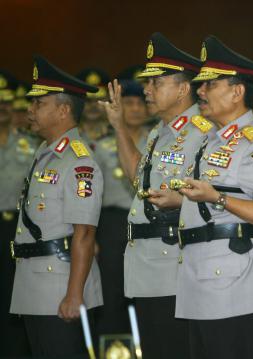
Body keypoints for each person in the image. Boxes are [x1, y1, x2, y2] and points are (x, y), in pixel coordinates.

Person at [173, 35, 253, 359]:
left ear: (237, 91)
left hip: (235, 285)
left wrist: (216, 198)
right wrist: (181, 199)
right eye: (201, 85)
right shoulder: (212, 139)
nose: (200, 91)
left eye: (210, 85)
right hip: (200, 280)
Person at [100, 32, 204, 358]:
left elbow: (217, 194)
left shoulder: (203, 131)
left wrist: (184, 201)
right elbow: (138, 180)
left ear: (183, 89)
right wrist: (118, 127)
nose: (147, 89)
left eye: (156, 82)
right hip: (149, 263)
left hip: (177, 264)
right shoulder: (161, 130)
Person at [10, 55, 103, 358]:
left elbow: (85, 233)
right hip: (34, 284)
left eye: (39, 104)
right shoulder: (45, 152)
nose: (31, 109)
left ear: (63, 110)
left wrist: (74, 295)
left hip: (59, 287)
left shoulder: (78, 161)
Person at [93, 66, 149, 337]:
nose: (136, 109)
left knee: (146, 289)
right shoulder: (103, 147)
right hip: (113, 225)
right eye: (129, 103)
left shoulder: (157, 142)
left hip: (147, 222)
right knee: (112, 289)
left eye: (141, 103)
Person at [0, 71, 32, 358]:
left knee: (15, 297)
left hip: (17, 229)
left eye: (7, 103)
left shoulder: (30, 145)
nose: (2, 109)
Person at [77, 68, 111, 150]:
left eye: (99, 99)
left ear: (108, 99)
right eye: (88, 100)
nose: (93, 105)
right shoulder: (67, 133)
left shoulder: (119, 132)